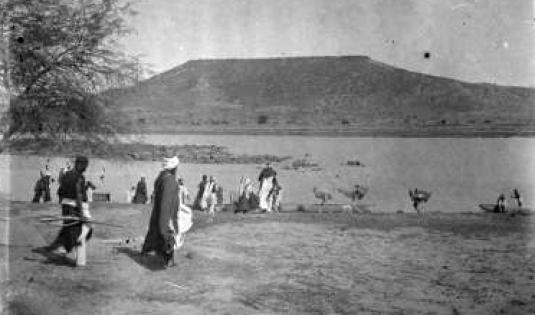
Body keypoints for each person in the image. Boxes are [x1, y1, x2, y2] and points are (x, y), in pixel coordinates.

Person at [45, 156, 93, 267]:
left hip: (66, 205)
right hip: (75, 206)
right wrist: (81, 212)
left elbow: (60, 191)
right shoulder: (80, 177)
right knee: (84, 230)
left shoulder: (66, 175)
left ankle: (78, 260)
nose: (85, 168)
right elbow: (78, 195)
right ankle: (64, 247)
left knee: (73, 229)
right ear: (80, 164)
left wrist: (63, 203)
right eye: (85, 166)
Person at [141, 156, 180, 267]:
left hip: (159, 210)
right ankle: (168, 259)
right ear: (173, 168)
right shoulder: (169, 181)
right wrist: (168, 219)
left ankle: (148, 251)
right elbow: (166, 202)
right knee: (166, 234)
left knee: (155, 230)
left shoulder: (161, 177)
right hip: (166, 212)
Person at [175, 178, 193, 250]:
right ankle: (177, 242)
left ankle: (177, 241)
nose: (182, 182)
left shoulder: (178, 187)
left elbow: (187, 195)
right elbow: (187, 195)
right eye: (181, 181)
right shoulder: (179, 187)